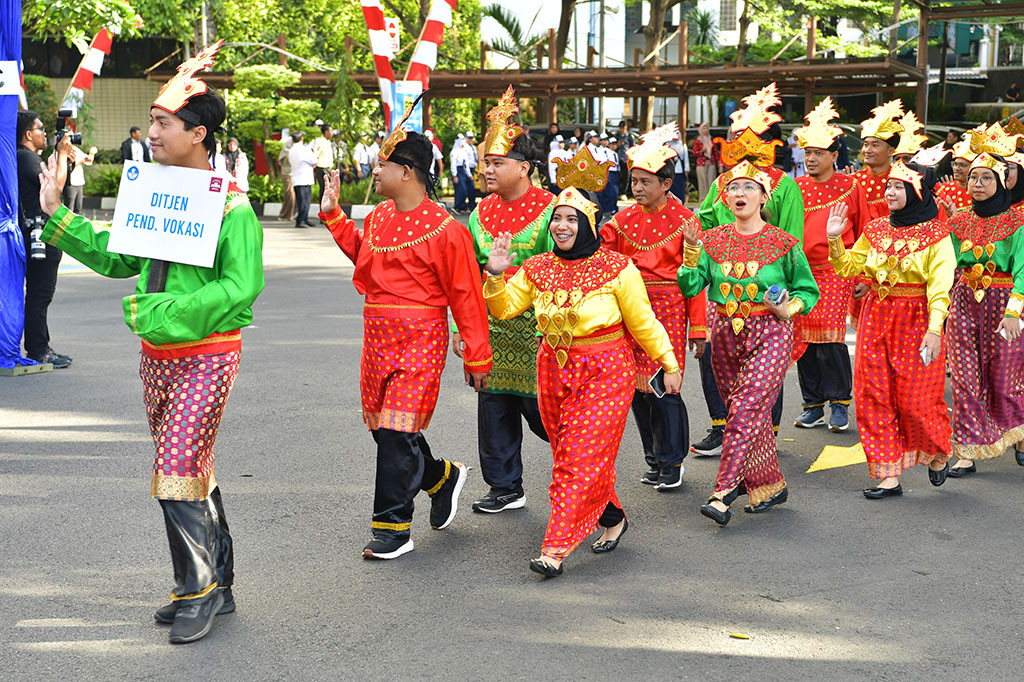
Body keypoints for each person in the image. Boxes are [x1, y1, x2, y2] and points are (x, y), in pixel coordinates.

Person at [35, 42, 264, 644]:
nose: (153, 133)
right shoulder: (156, 196)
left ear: (198, 134)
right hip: (156, 357)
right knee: (192, 470)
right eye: (155, 123)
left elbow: (241, 288)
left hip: (209, 354)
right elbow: (118, 257)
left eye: (163, 124)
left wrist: (162, 310)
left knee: (175, 468)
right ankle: (222, 582)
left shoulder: (233, 207)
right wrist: (59, 215)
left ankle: (196, 592)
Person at [484, 185, 682, 577]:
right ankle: (612, 516)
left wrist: (669, 362)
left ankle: (555, 548)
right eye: (557, 217)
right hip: (553, 370)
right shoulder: (536, 267)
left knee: (576, 460)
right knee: (574, 456)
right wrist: (494, 274)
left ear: (590, 224)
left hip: (605, 370)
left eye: (572, 219)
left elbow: (643, 322)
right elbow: (505, 308)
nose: (561, 225)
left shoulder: (617, 268)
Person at [317, 120, 493, 561]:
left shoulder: (447, 229)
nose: (374, 172)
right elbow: (364, 257)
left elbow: (466, 295)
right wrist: (334, 214)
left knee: (397, 431)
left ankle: (393, 528)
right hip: (376, 339)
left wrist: (477, 353)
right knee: (390, 432)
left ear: (408, 171)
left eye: (382, 165)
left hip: (420, 339)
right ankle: (441, 478)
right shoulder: (377, 217)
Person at [678, 161, 819, 525]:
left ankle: (723, 491)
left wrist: (790, 308)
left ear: (763, 197)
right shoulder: (711, 240)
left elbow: (808, 289)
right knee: (748, 414)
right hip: (723, 331)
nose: (739, 194)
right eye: (733, 188)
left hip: (771, 329)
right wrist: (691, 252)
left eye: (748, 188)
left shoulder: (783, 243)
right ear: (724, 198)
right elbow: (691, 287)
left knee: (743, 409)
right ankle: (769, 485)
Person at [453, 87, 556, 514]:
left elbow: (561, 274)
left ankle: (585, 474)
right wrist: (464, 330)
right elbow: (468, 278)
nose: (487, 170)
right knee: (493, 408)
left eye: (497, 162)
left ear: (525, 167)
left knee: (546, 415)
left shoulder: (554, 210)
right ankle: (505, 486)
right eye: (486, 162)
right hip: (491, 329)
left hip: (539, 331)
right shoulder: (479, 214)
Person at [828, 161, 955, 498]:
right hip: (876, 316)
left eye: (899, 187)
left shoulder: (937, 234)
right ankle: (888, 474)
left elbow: (941, 287)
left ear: (916, 191)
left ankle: (939, 451)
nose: (890, 192)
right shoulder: (877, 228)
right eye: (889, 187)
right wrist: (834, 238)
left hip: (916, 319)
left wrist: (934, 329)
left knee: (917, 400)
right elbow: (850, 267)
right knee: (873, 394)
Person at [693, 83, 805, 455]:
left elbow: (792, 242)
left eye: (745, 134)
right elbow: (707, 219)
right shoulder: (724, 183)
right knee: (716, 358)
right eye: (735, 135)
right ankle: (721, 425)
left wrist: (785, 295)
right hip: (723, 287)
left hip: (767, 291)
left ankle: (764, 431)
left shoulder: (785, 186)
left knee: (765, 366)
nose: (737, 141)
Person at [600, 122, 706, 490]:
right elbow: (601, 259)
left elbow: (695, 280)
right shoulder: (621, 220)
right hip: (630, 310)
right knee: (636, 392)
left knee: (664, 389)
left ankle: (672, 460)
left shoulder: (686, 221)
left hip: (670, 312)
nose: (638, 188)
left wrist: (699, 328)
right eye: (635, 181)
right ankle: (654, 459)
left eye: (647, 182)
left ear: (666, 184)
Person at [943, 145, 1024, 476]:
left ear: (1003, 182)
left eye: (986, 178)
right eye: (974, 177)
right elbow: (946, 266)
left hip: (1003, 303)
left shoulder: (1017, 220)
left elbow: (1023, 270)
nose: (977, 183)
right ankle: (967, 450)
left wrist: (1014, 312)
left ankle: (1019, 436)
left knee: (1005, 379)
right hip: (963, 301)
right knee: (964, 377)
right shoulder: (959, 220)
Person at [791, 97, 869, 432]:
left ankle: (839, 402)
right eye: (807, 152)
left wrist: (864, 273)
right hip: (802, 272)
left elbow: (866, 230)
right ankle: (812, 403)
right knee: (803, 340)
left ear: (835, 155)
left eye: (818, 153)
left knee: (830, 340)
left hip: (837, 270)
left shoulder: (852, 186)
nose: (810, 158)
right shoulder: (795, 188)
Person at [17, 109, 73, 368]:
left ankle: (41, 347)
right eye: (40, 129)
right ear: (28, 134)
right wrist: (61, 153)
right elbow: (56, 189)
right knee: (39, 295)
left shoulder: (27, 158)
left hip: (39, 233)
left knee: (39, 295)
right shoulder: (25, 158)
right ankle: (38, 350)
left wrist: (62, 158)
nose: (45, 134)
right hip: (38, 235)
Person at [935, 139, 975, 211]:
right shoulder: (943, 189)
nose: (956, 168)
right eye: (955, 164)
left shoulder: (979, 192)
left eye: (962, 165)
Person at [288, 130, 315, 228]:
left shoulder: (291, 150)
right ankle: (300, 220)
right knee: (305, 201)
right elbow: (314, 160)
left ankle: (304, 218)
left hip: (297, 178)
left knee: (301, 201)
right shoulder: (305, 149)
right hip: (305, 177)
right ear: (302, 139)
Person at [60, 144, 95, 214]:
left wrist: (92, 152)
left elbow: (89, 159)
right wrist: (81, 161)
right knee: (69, 209)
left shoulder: (75, 149)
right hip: (70, 183)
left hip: (79, 182)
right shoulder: (61, 150)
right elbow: (66, 166)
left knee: (78, 209)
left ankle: (76, 224)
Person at [692, 122, 719, 202]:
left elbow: (715, 152)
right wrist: (701, 151)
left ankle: (711, 201)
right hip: (701, 163)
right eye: (704, 128)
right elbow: (694, 153)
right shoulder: (698, 140)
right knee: (702, 183)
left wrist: (718, 163)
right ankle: (703, 201)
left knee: (711, 182)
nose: (706, 130)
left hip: (711, 162)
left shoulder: (711, 139)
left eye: (707, 128)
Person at [312, 124, 334, 199]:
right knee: (324, 189)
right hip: (322, 168)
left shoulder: (328, 142)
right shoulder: (320, 141)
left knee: (328, 188)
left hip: (328, 168)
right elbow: (315, 154)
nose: (332, 133)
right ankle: (323, 208)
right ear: (326, 132)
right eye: (331, 131)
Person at [278, 133, 295, 220]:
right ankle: (287, 215)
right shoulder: (288, 150)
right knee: (290, 194)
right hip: (287, 173)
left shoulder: (291, 149)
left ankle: (287, 214)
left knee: (290, 194)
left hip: (293, 173)